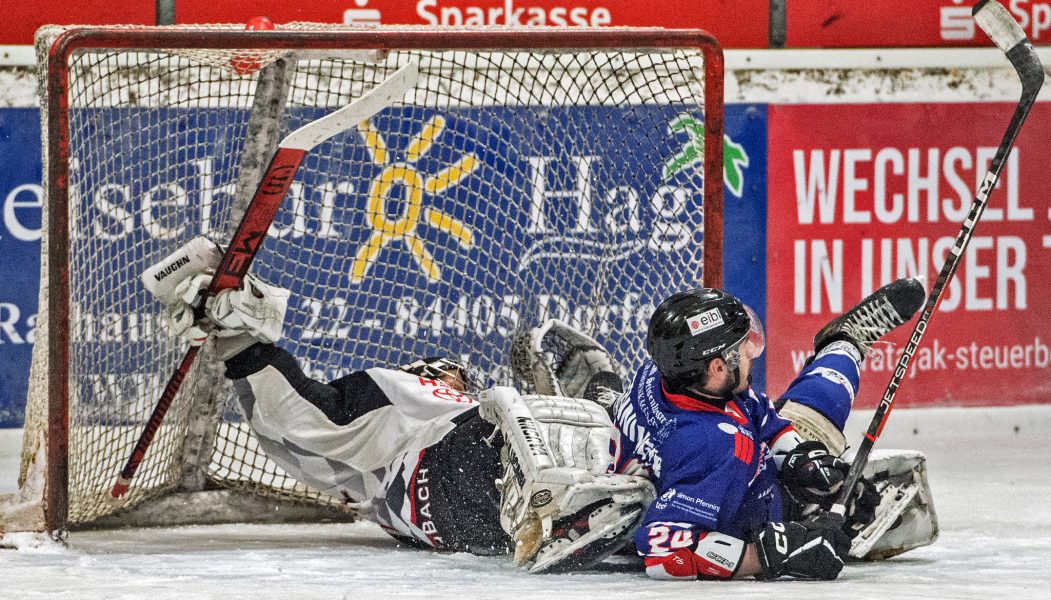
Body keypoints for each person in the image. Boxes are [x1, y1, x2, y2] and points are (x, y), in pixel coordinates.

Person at [141, 236, 653, 573]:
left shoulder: (425, 403)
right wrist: (242, 343)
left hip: (465, 516)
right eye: (448, 371)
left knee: (591, 450)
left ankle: (630, 494)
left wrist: (240, 338)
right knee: (579, 430)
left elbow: (295, 422)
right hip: (450, 478)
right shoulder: (386, 401)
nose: (457, 373)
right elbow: (295, 420)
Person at [607, 280, 934, 580]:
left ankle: (846, 340)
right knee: (825, 399)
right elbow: (664, 551)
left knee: (812, 434)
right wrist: (776, 553)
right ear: (718, 367)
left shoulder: (664, 374)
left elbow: (755, 411)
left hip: (727, 483)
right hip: (759, 514)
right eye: (741, 345)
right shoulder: (714, 446)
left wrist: (800, 457)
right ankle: (845, 342)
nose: (750, 351)